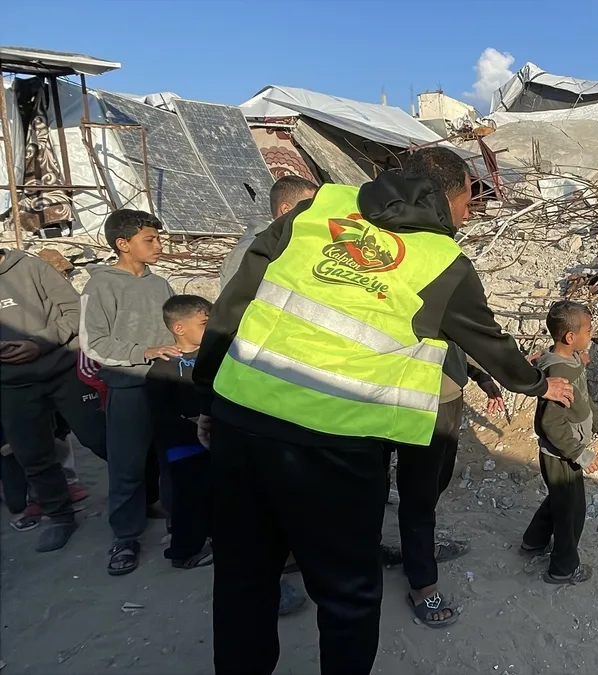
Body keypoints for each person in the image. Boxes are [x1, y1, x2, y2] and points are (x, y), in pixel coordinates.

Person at [193, 146, 574, 674]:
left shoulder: (317, 210)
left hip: (244, 421)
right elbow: (490, 345)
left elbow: (235, 304)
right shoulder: (442, 260)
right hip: (340, 444)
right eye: (470, 201)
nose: (469, 214)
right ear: (450, 194)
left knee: (243, 580)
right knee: (348, 594)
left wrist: (207, 397)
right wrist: (538, 382)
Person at [217, 175, 316, 616]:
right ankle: (267, 581)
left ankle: (292, 553)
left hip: (285, 384)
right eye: (310, 207)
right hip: (263, 384)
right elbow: (236, 320)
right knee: (264, 487)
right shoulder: (259, 250)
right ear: (285, 210)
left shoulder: (284, 242)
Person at [80, 209, 179, 573]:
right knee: (127, 465)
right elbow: (94, 343)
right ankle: (125, 537)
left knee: (174, 459)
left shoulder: (159, 283)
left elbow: (176, 328)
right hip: (128, 388)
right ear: (123, 245)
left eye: (158, 238)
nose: (158, 245)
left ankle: (181, 527)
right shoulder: (101, 285)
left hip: (167, 386)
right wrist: (143, 352)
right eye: (149, 240)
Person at [381, 344, 503, 627]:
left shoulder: (451, 298)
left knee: (431, 484)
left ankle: (416, 551)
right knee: (387, 485)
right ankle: (421, 584)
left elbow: (461, 327)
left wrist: (479, 371)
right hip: (385, 389)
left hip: (442, 397)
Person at [0, 246, 107, 552]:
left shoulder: (33, 268)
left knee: (99, 437)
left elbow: (75, 312)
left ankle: (145, 496)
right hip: (12, 384)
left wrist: (39, 343)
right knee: (32, 454)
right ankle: (59, 516)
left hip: (63, 369)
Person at [521, 301, 598, 585]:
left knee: (560, 501)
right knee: (571, 512)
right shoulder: (558, 374)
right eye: (588, 329)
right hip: (560, 454)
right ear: (569, 337)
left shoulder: (573, 361)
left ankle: (533, 541)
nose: (592, 334)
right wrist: (581, 454)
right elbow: (551, 424)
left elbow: (585, 402)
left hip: (566, 451)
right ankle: (563, 568)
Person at [146, 295, 213, 570]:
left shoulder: (215, 356)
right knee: (188, 501)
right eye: (204, 323)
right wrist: (193, 426)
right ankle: (183, 553)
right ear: (179, 328)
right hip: (184, 446)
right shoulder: (163, 367)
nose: (211, 328)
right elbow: (160, 414)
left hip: (217, 441)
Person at [219, 175, 317, 289]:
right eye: (311, 208)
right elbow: (233, 301)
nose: (317, 216)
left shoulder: (287, 245)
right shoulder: (250, 250)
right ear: (286, 210)